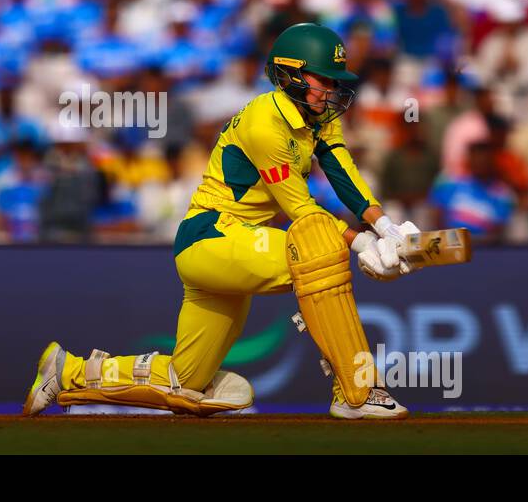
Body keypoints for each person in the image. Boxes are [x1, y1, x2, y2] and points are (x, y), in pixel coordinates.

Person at [23, 24, 420, 420]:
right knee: (319, 249)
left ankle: (66, 371)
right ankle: (357, 390)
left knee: (186, 381)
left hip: (233, 246)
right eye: (325, 79)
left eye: (337, 81)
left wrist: (386, 227)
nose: (333, 89)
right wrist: (359, 242)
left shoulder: (317, 114)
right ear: (292, 73)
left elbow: (341, 170)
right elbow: (301, 210)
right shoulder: (265, 122)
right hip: (211, 238)